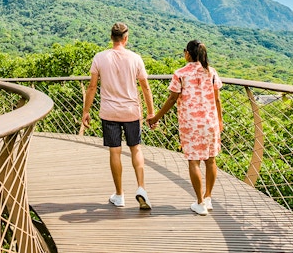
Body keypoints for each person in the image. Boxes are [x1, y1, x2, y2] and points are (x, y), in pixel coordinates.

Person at [82, 22, 155, 210]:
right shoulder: (135, 58)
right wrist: (151, 112)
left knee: (115, 152)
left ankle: (119, 195)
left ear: (111, 37)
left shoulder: (100, 58)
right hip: (131, 112)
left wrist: (86, 111)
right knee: (136, 149)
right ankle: (141, 188)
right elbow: (145, 87)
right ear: (126, 38)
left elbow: (92, 87)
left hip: (109, 112)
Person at [147, 40, 223, 216]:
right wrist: (220, 120)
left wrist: (155, 118)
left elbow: (173, 98)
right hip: (210, 122)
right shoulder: (211, 72)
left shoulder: (180, 74)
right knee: (211, 160)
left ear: (187, 53)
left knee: (194, 161)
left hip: (191, 124)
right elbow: (217, 99)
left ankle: (200, 202)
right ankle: (208, 197)